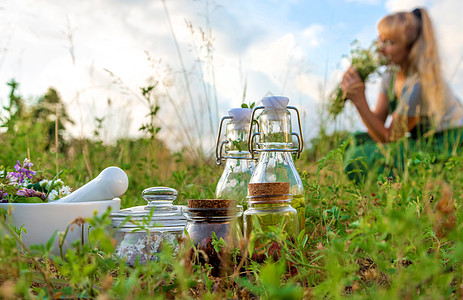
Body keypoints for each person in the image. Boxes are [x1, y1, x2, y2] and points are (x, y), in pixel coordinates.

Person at [341, 7, 463, 183]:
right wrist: (358, 92)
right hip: (420, 142)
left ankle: (416, 179)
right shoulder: (390, 76)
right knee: (354, 142)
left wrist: (360, 100)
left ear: (410, 48)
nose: (380, 49)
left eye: (389, 42)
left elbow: (390, 136)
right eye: (380, 40)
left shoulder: (419, 82)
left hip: (446, 142)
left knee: (361, 156)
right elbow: (378, 127)